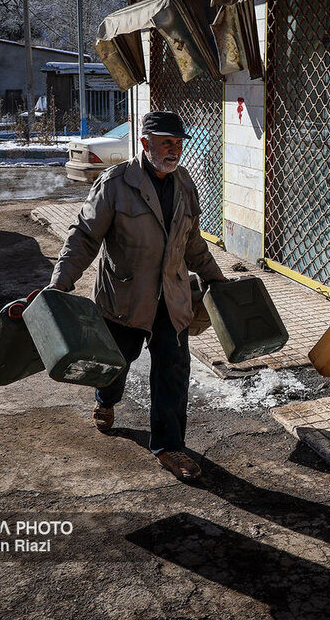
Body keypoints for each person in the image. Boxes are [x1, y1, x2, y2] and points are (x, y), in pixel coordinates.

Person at [47, 111, 226, 481]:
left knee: (173, 373)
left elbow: (193, 243)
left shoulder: (185, 184)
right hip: (124, 298)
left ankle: (170, 446)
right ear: (145, 144)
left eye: (178, 143)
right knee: (115, 364)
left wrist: (216, 279)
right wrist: (59, 285)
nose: (174, 150)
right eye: (166, 143)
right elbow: (84, 237)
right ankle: (106, 400)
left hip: (173, 299)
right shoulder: (115, 183)